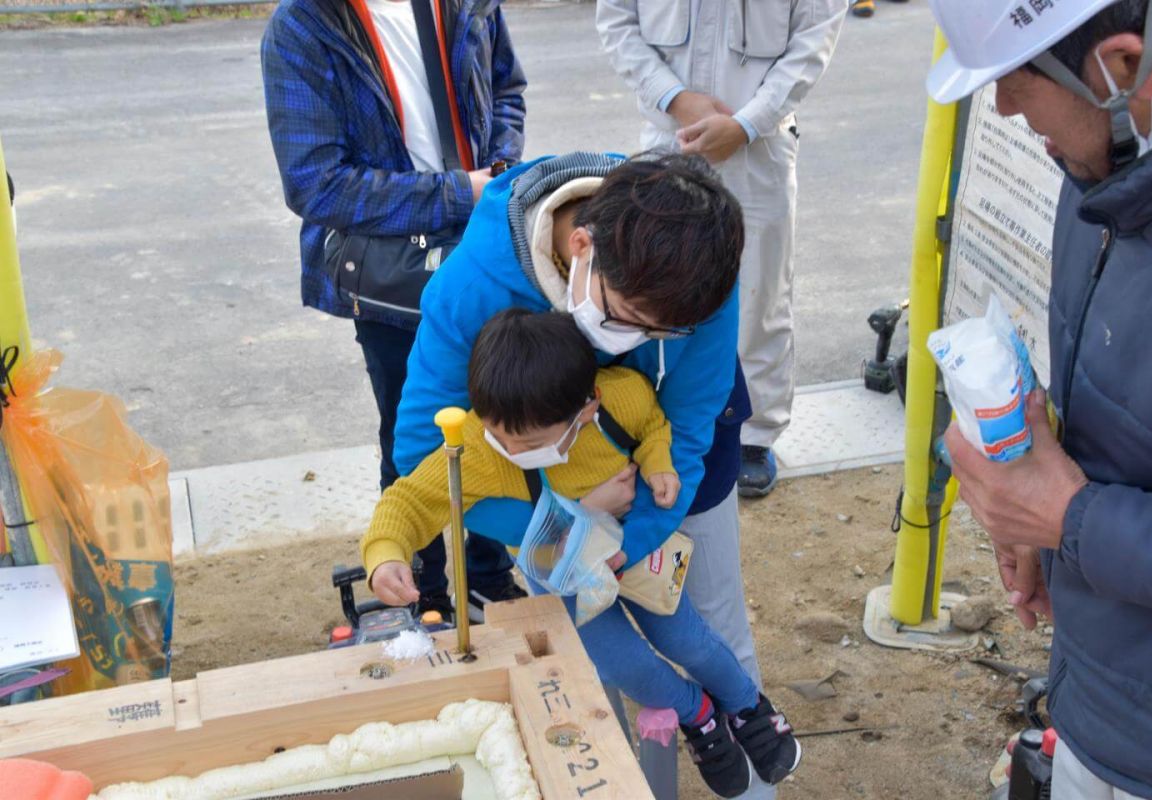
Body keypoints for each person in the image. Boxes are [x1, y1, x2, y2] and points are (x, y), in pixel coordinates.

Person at [928, 1, 1152, 798]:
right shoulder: (1106, 170)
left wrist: (1072, 519)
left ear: (1123, 66)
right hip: (1102, 703)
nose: (1004, 108)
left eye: (1016, 80)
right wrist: (1045, 523)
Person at [363, 309, 801, 798]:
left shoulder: (623, 397)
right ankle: (696, 714)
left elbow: (656, 427)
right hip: (563, 570)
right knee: (618, 664)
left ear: (588, 406)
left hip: (632, 556)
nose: (509, 450)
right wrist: (386, 553)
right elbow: (410, 499)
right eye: (496, 434)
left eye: (527, 443)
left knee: (687, 639)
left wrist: (658, 465)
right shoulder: (482, 445)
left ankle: (748, 706)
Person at [260, 0, 528, 620]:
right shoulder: (306, 24)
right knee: (412, 428)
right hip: (391, 277)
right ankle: (422, 589)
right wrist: (463, 191)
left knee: (501, 408)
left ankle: (489, 574)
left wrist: (502, 168)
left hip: (484, 246)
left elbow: (507, 86)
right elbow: (316, 183)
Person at [595, 0, 845, 497]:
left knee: (760, 298)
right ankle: (655, 424)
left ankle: (754, 435)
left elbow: (814, 35)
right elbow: (617, 19)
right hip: (672, 136)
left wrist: (749, 122)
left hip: (759, 146)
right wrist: (674, 97)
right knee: (656, 291)